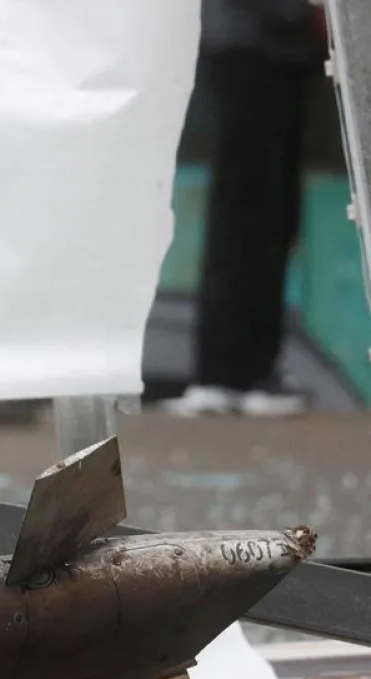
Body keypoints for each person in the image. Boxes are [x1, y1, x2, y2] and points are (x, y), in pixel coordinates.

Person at [164, 0, 326, 416]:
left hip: (266, 48)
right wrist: (304, 12)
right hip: (255, 47)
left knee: (262, 215)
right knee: (249, 215)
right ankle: (232, 372)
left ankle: (242, 370)